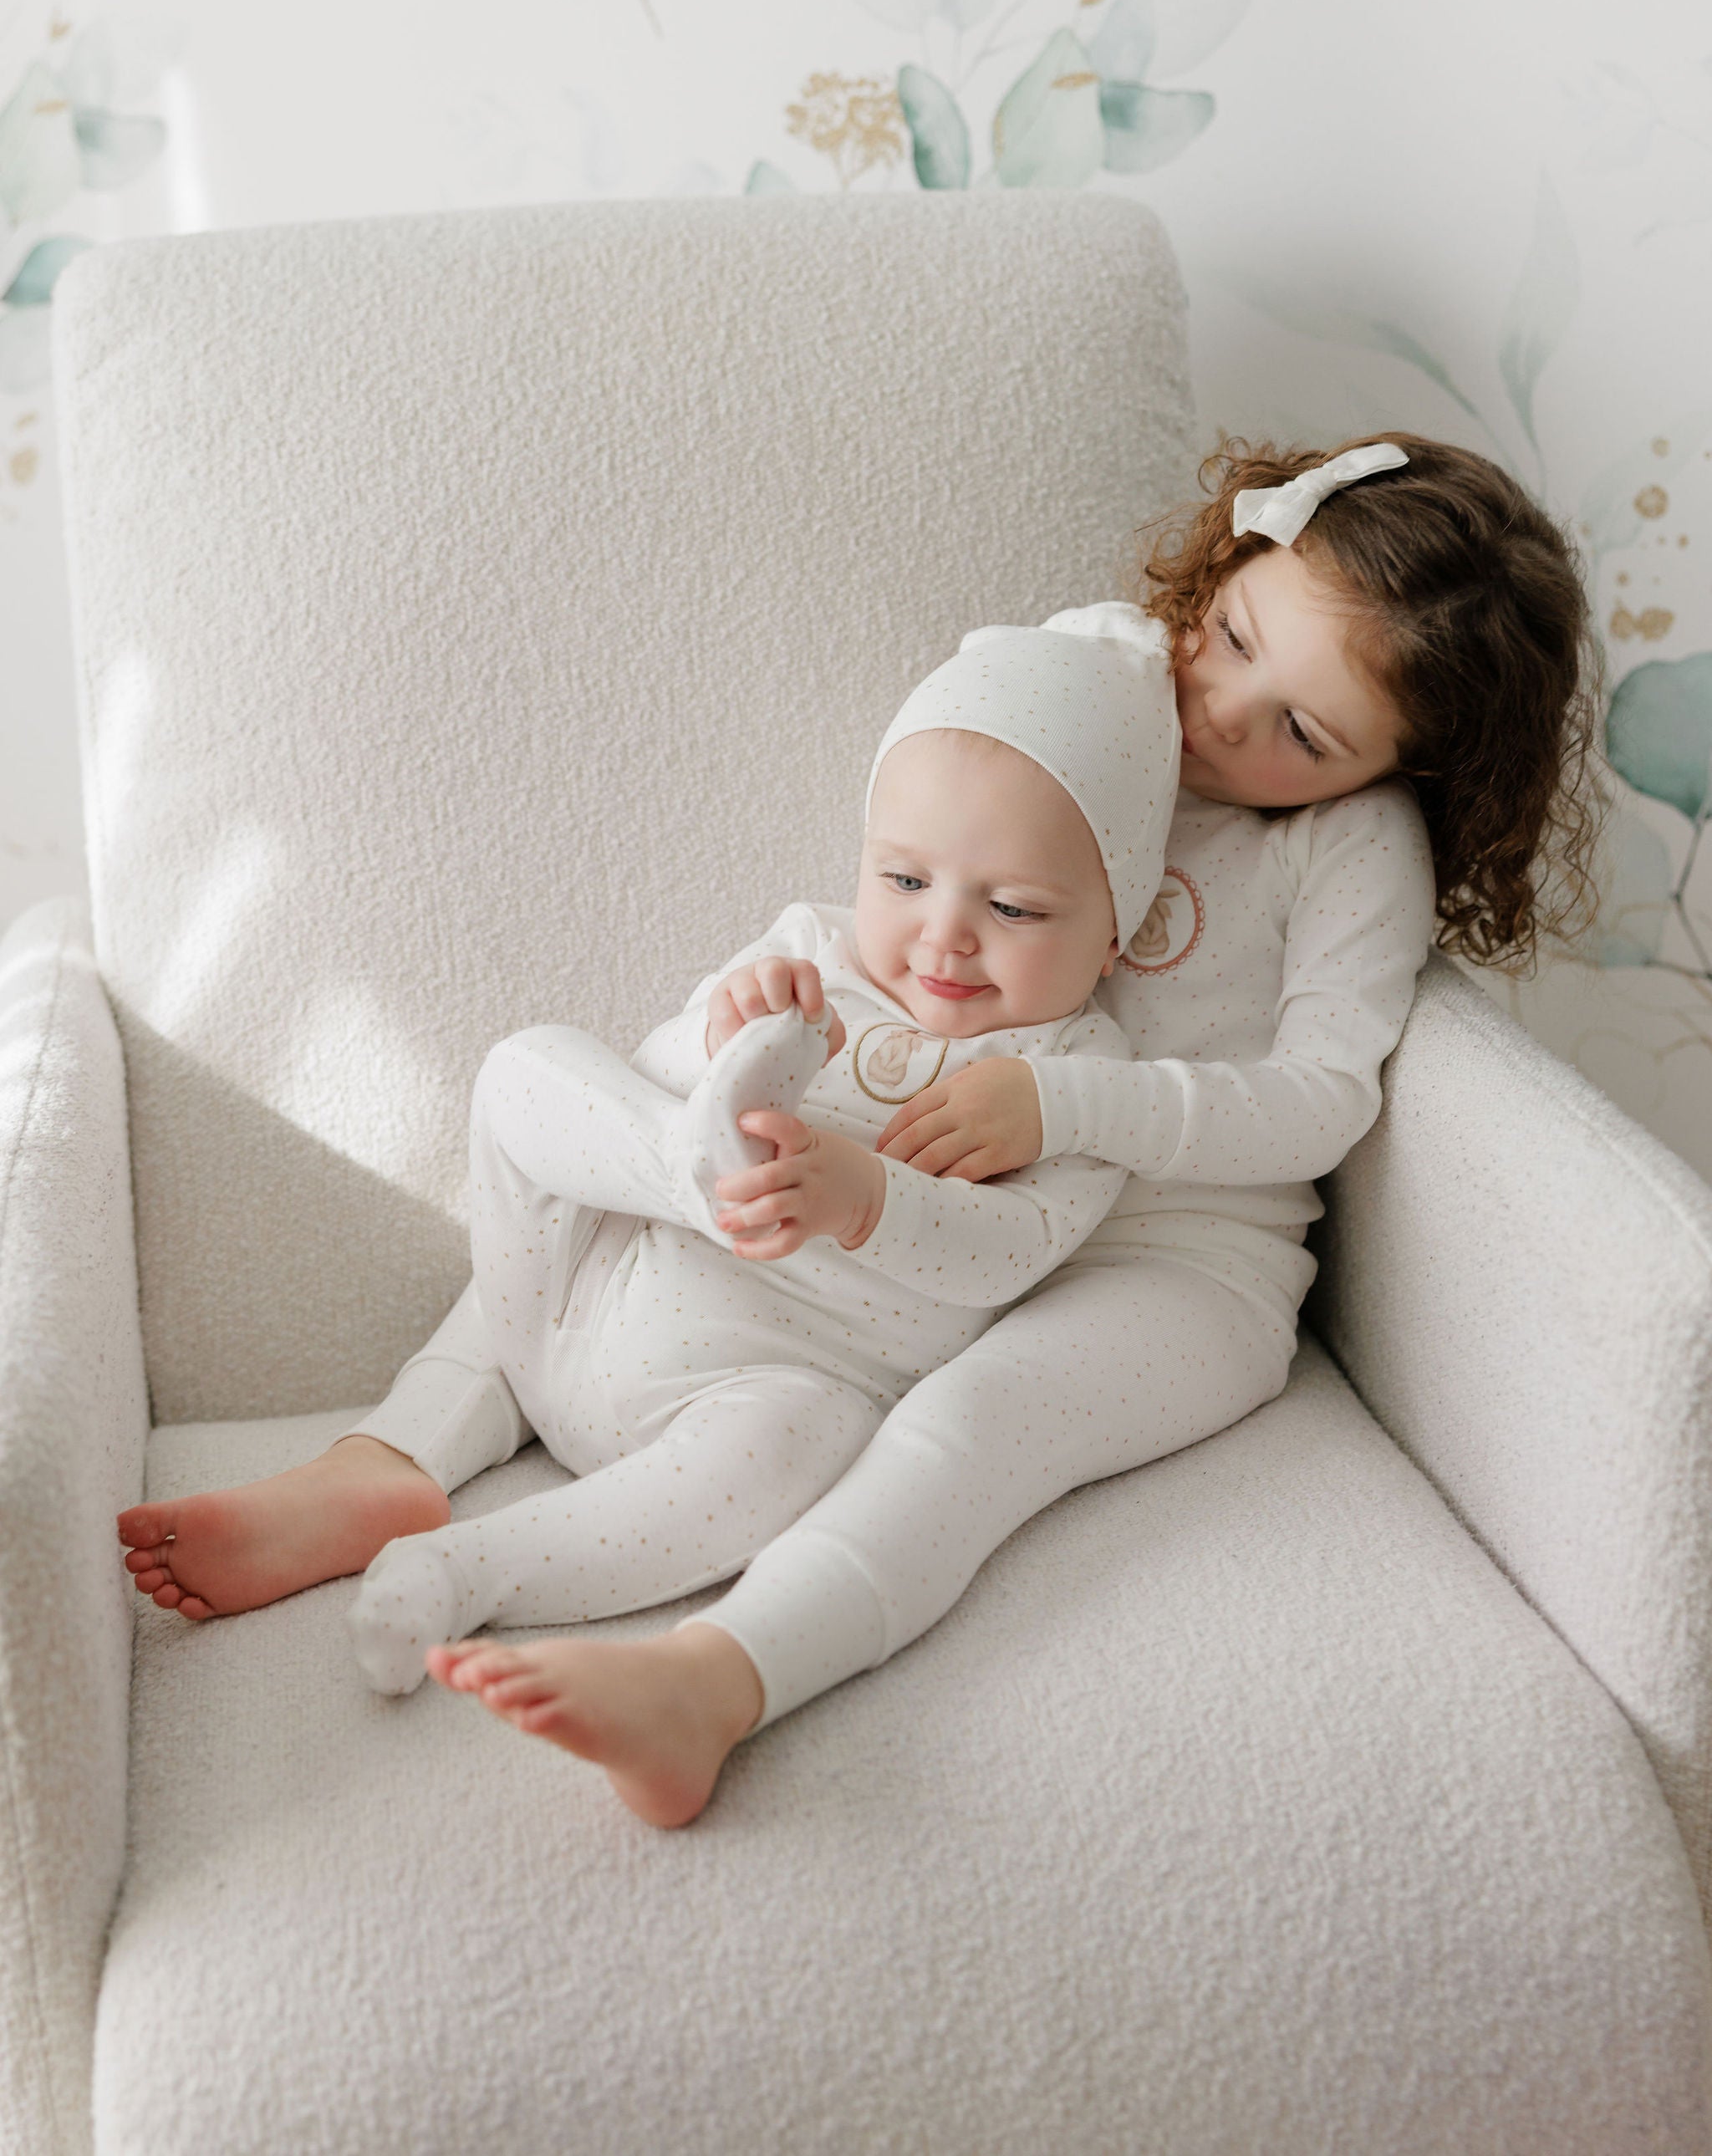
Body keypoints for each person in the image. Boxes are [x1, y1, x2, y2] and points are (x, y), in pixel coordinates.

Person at [415, 432, 1604, 1828]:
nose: (1220, 712)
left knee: (970, 1430)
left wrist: (1061, 1103)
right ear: (1232, 558)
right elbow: (925, 854)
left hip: (1175, 1262)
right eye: (1233, 636)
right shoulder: (1109, 677)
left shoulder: (1349, 850)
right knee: (654, 1187)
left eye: (1304, 733)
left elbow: (1321, 1100)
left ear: (1409, 771)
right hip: (954, 1212)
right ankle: (402, 1455)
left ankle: (712, 1684)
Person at [117, 604, 1181, 1700]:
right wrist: (726, 1036)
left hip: (755, 1393)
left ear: (1115, 933)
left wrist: (867, 1198)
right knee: (530, 1068)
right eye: (905, 881)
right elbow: (641, 1071)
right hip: (584, 1289)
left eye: (1012, 907)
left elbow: (1013, 1252)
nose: (944, 934)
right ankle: (388, 1457)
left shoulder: (1079, 1075)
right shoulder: (810, 951)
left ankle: (463, 1570)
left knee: (810, 1441)